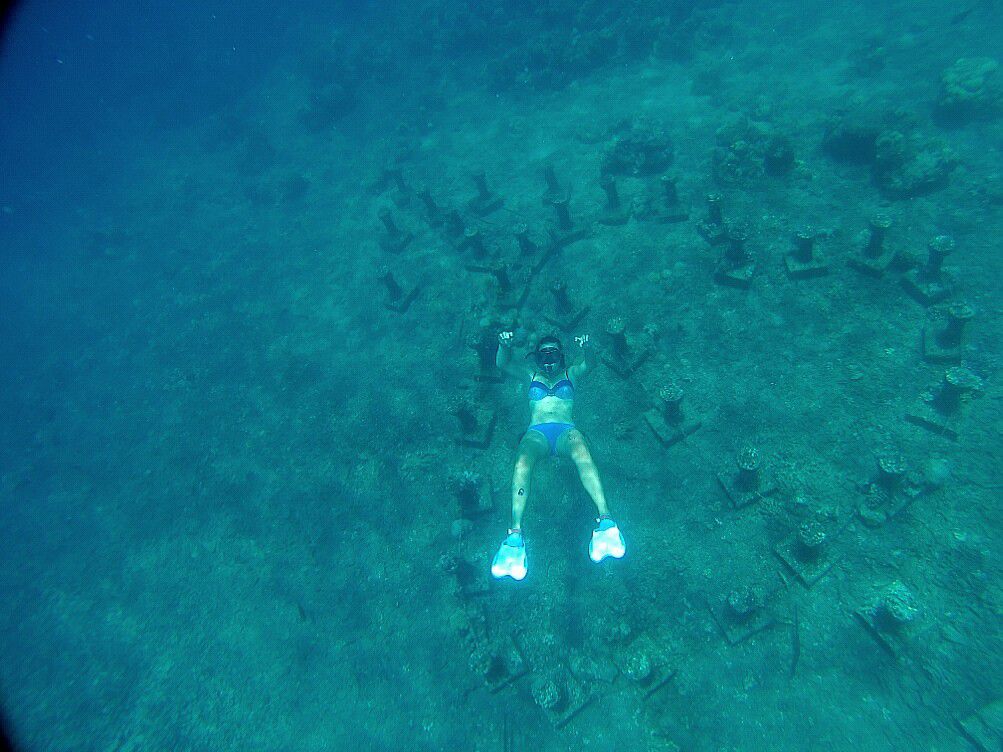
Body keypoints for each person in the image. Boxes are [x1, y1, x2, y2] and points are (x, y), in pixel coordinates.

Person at [490, 331, 625, 580]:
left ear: (561, 356)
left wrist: (588, 348)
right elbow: (502, 363)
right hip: (536, 434)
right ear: (538, 357)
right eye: (544, 354)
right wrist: (503, 345)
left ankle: (607, 523)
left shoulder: (570, 373)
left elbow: (590, 364)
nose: (549, 358)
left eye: (553, 353)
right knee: (521, 463)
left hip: (566, 431)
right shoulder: (531, 374)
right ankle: (514, 537)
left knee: (583, 452)